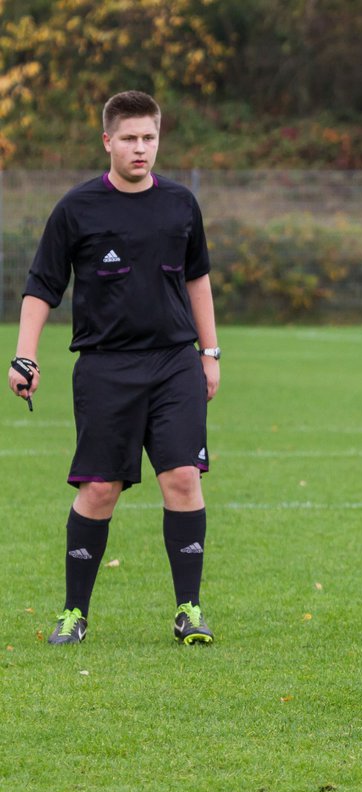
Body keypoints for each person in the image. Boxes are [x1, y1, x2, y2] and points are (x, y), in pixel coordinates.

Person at [7, 91, 220, 645]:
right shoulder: (77, 209)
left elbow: (198, 279)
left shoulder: (180, 204)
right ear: (108, 141)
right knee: (99, 488)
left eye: (149, 137)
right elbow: (41, 288)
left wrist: (210, 353)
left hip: (175, 362)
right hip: (105, 367)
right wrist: (25, 355)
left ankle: (190, 610)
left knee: (182, 478)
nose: (140, 148)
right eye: (129, 138)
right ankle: (74, 614)